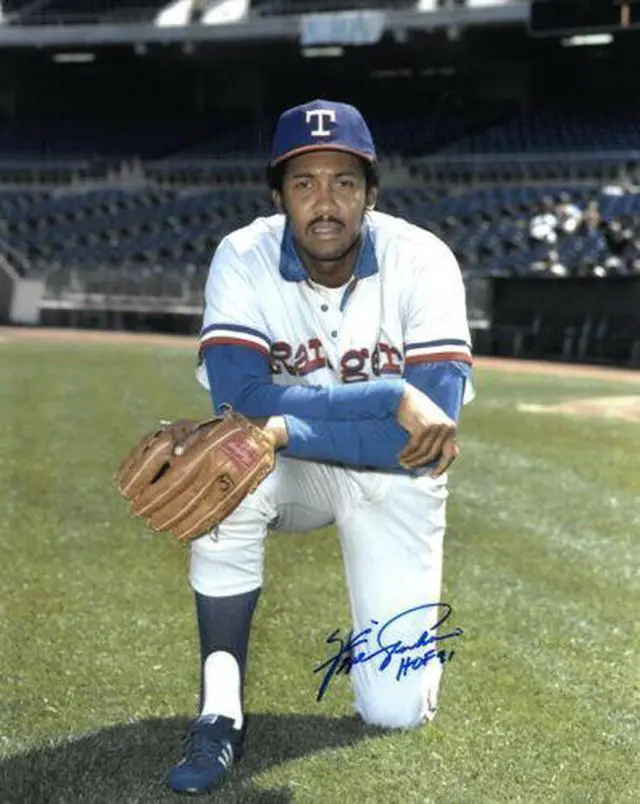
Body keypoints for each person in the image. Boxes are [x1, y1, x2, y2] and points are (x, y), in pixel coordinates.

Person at [168, 99, 474, 795]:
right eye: (304, 184)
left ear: (371, 193)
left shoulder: (424, 260)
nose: (325, 202)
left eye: (344, 182)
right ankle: (219, 713)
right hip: (294, 470)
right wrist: (388, 394)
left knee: (394, 710)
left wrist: (285, 427)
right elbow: (240, 404)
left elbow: (425, 438)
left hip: (396, 477)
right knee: (224, 468)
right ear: (279, 197)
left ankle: (401, 673)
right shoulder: (242, 256)